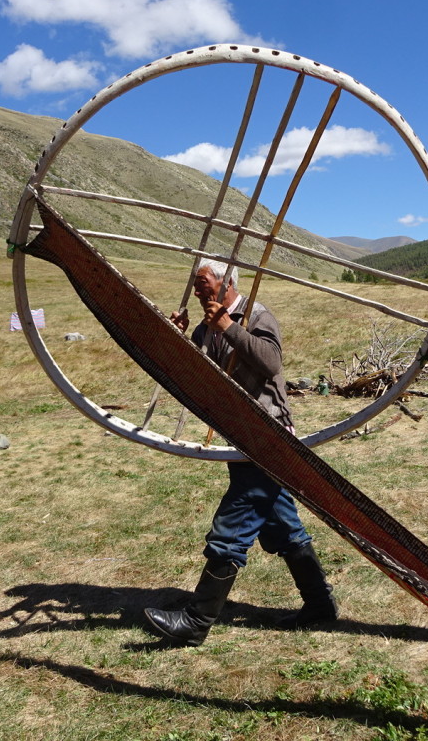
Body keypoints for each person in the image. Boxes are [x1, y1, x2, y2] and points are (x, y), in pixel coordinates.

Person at [143, 260, 338, 646]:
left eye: (204, 283)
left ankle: (196, 622)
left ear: (226, 283)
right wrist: (179, 338)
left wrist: (229, 328)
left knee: (237, 517)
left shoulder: (257, 314)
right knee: (282, 524)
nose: (198, 291)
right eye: (195, 284)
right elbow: (194, 374)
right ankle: (320, 605)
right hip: (240, 435)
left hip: (267, 433)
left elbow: (271, 362)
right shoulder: (205, 325)